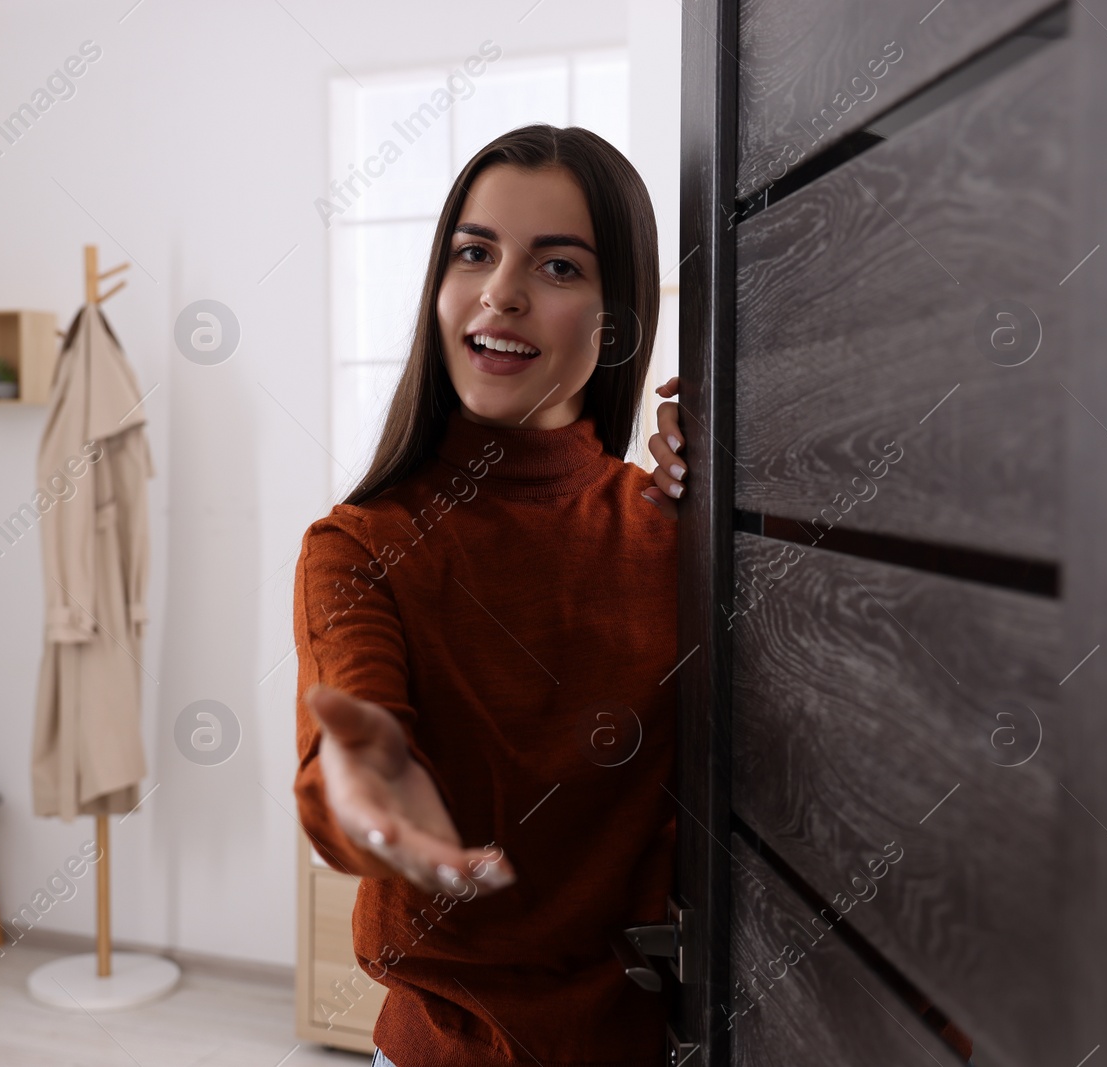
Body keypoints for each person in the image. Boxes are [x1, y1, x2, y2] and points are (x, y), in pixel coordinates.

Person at [293, 123, 685, 1065]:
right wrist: (369, 797)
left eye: (558, 267)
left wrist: (758, 474)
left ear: (618, 314)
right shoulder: (359, 545)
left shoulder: (676, 532)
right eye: (474, 253)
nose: (500, 292)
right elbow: (350, 747)